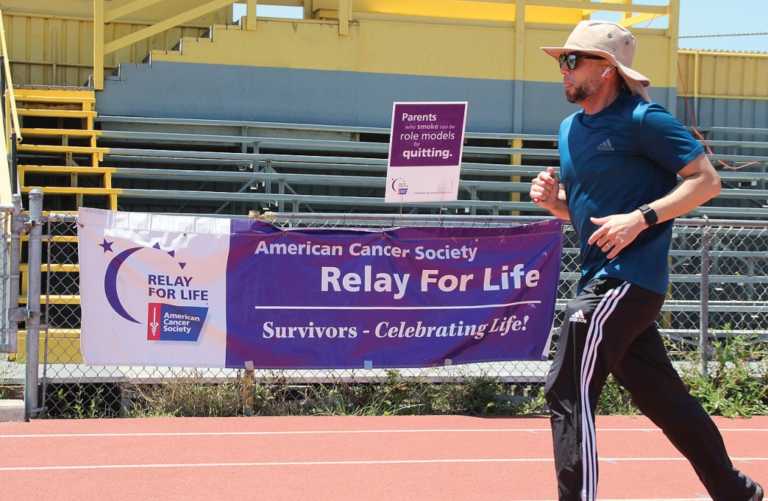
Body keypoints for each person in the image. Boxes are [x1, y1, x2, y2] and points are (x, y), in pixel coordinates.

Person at [529, 20, 764, 501]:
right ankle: (735, 490)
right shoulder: (570, 129)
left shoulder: (644, 120)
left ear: (607, 69)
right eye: (561, 60)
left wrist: (641, 218)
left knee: (568, 389)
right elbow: (591, 211)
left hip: (625, 283)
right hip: (602, 277)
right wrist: (556, 203)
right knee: (663, 398)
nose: (564, 70)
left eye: (573, 60)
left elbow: (706, 180)